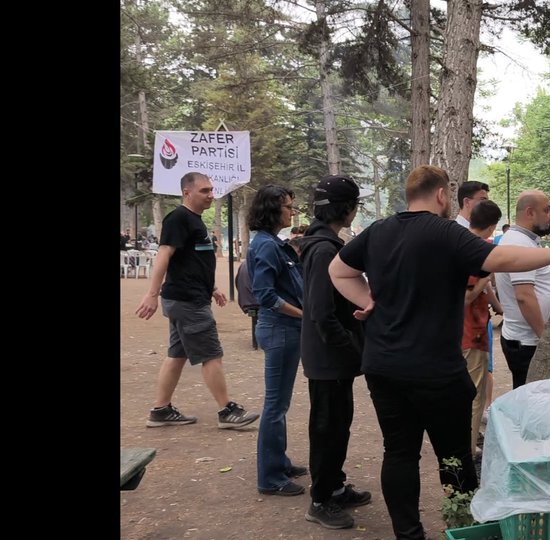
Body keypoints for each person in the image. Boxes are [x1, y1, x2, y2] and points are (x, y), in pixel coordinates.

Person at [327, 164, 550, 540]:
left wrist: (368, 300)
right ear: (442, 195)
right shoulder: (445, 233)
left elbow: (338, 270)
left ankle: (409, 535)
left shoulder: (378, 230)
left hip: (384, 365)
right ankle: (461, 528)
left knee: (399, 453)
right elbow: (501, 259)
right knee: (454, 456)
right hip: (435, 369)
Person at [135, 172, 260, 431]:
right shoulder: (178, 218)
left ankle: (160, 410)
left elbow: (193, 261)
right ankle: (227, 411)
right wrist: (151, 293)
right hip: (187, 300)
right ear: (186, 192)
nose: (210, 195)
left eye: (212, 190)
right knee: (211, 354)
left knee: (176, 355)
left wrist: (213, 287)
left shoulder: (195, 221)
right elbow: (164, 256)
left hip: (191, 296)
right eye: (204, 190)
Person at [296, 175, 374, 528]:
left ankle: (335, 485)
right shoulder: (324, 250)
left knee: (338, 424)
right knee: (327, 428)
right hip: (329, 358)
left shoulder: (324, 243)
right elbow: (321, 312)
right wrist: (351, 347)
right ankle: (321, 499)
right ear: (346, 209)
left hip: (333, 357)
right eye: (354, 205)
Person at [246, 184, 308, 497]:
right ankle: (270, 477)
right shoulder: (267, 245)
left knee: (279, 403)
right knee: (275, 405)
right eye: (287, 207)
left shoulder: (273, 242)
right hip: (280, 328)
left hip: (285, 328)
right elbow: (266, 295)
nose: (292, 212)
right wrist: (303, 315)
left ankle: (278, 461)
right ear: (272, 209)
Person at [494, 189, 550, 388]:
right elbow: (524, 295)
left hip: (526, 341)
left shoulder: (525, 241)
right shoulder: (519, 243)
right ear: (530, 212)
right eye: (547, 210)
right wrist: (545, 339)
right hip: (528, 344)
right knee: (531, 402)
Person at [461, 199, 504, 456]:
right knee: (474, 395)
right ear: (492, 225)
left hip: (470, 331)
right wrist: (487, 277)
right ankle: (467, 449)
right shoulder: (474, 250)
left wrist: (498, 306)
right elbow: (467, 295)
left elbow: (484, 290)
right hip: (470, 333)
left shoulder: (463, 243)